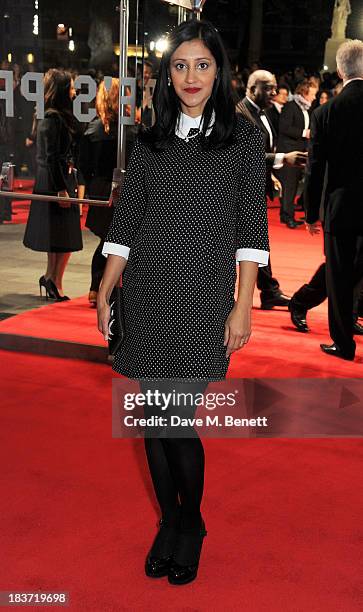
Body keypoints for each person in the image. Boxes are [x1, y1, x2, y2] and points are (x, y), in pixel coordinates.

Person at [97, 20, 269, 585]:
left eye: (202, 65)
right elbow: (128, 219)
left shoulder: (242, 138)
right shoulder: (150, 138)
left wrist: (242, 304)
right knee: (152, 418)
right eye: (179, 65)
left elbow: (250, 228)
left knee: (176, 419)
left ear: (220, 71)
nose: (190, 77)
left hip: (204, 295)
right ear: (165, 74)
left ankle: (189, 524)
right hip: (147, 290)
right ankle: (168, 522)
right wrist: (106, 286)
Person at [304, 40, 363, 360]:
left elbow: (315, 168)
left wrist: (311, 212)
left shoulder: (327, 112)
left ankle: (343, 344)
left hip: (341, 208)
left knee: (338, 276)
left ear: (340, 71)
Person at [237, 70, 307, 310]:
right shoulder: (240, 114)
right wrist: (282, 158)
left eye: (275, 87)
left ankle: (269, 290)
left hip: (252, 187)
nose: (274, 93)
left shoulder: (262, 113)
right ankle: (265, 291)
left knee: (257, 241)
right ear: (252, 87)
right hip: (238, 191)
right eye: (267, 88)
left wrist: (271, 176)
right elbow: (245, 154)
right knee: (248, 243)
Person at [23, 69, 85, 300]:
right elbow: (52, 157)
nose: (74, 90)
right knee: (64, 235)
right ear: (61, 90)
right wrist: (61, 189)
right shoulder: (53, 119)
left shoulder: (51, 116)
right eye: (70, 86)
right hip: (55, 181)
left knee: (59, 235)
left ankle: (52, 278)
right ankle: (54, 280)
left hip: (53, 179)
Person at [79, 79, 118, 307]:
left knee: (107, 240)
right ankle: (101, 288)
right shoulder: (126, 128)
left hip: (99, 187)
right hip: (114, 187)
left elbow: (84, 165)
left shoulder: (94, 128)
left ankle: (97, 287)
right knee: (112, 240)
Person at [277, 78, 318, 228]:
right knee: (290, 185)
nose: (314, 97)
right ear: (304, 93)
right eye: (312, 94)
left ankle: (286, 214)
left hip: (299, 151)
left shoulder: (305, 108)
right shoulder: (290, 106)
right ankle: (288, 216)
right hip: (288, 152)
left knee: (293, 185)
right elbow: (284, 128)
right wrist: (304, 133)